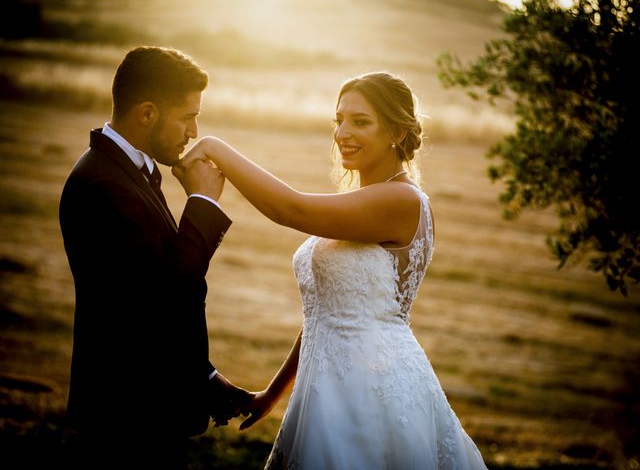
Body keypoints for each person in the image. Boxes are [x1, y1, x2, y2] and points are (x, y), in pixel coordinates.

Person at [178, 72, 487, 469]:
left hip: (373, 389)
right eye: (338, 120)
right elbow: (327, 314)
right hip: (323, 388)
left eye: (360, 121)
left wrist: (214, 147)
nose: (342, 132)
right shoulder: (363, 202)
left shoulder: (400, 200)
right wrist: (273, 394)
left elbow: (291, 209)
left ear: (396, 130)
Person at [58, 46, 253, 470]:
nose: (193, 131)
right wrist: (202, 201)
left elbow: (144, 307)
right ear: (147, 113)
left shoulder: (133, 171)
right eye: (187, 117)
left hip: (146, 408)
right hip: (126, 419)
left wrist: (203, 377)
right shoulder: (103, 185)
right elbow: (170, 290)